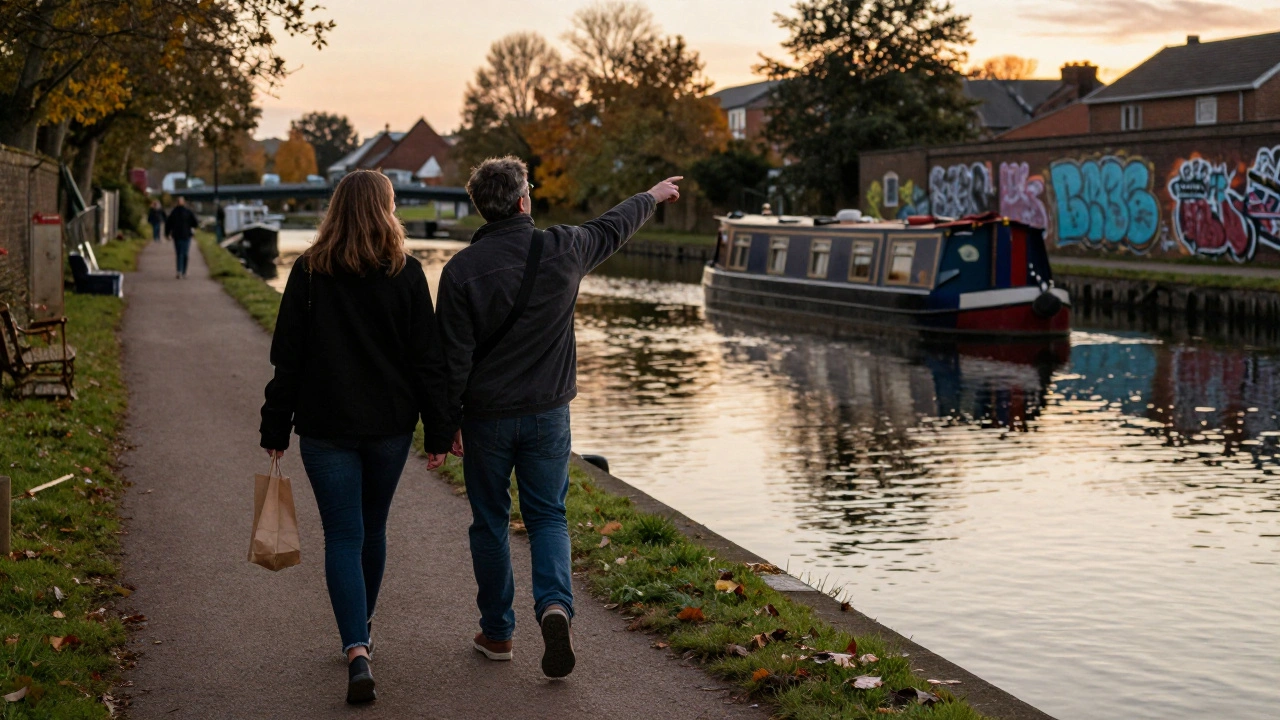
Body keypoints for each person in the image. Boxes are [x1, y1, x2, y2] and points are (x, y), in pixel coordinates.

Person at [435, 156, 681, 679]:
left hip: (486, 419)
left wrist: (445, 422)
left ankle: (497, 633)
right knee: (548, 516)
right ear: (525, 200)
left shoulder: (459, 272)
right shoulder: (563, 248)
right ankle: (554, 606)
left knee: (491, 522)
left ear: (482, 207)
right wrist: (652, 197)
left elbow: (452, 358)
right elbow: (611, 227)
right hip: (548, 414)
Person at [259, 170, 454, 704]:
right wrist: (439, 429)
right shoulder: (408, 274)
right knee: (372, 529)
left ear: (336, 209)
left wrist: (275, 426)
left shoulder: (309, 272)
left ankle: (356, 648)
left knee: (343, 536)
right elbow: (428, 361)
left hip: (325, 428)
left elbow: (288, 359)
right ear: (387, 210)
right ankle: (360, 627)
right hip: (389, 427)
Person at [164, 197, 199, 279]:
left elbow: (168, 223)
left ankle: (179, 271)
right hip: (186, 235)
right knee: (185, 254)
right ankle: (183, 271)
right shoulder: (188, 212)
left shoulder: (174, 212)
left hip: (177, 235)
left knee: (179, 253)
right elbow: (195, 223)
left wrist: (167, 233)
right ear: (184, 203)